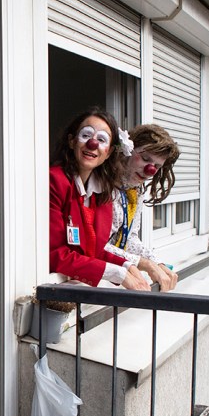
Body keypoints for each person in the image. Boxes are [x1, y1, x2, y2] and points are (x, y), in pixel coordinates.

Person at [49, 107, 150, 290]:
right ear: (72, 141)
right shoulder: (54, 181)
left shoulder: (101, 194)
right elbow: (55, 253)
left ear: (109, 152)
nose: (93, 143)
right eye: (86, 135)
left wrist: (127, 265)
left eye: (101, 139)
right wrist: (117, 273)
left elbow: (94, 249)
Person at [105, 123, 181, 291]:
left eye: (157, 166)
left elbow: (130, 237)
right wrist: (144, 263)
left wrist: (156, 263)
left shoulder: (135, 190)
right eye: (145, 159)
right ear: (127, 150)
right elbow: (95, 245)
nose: (150, 170)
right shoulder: (100, 185)